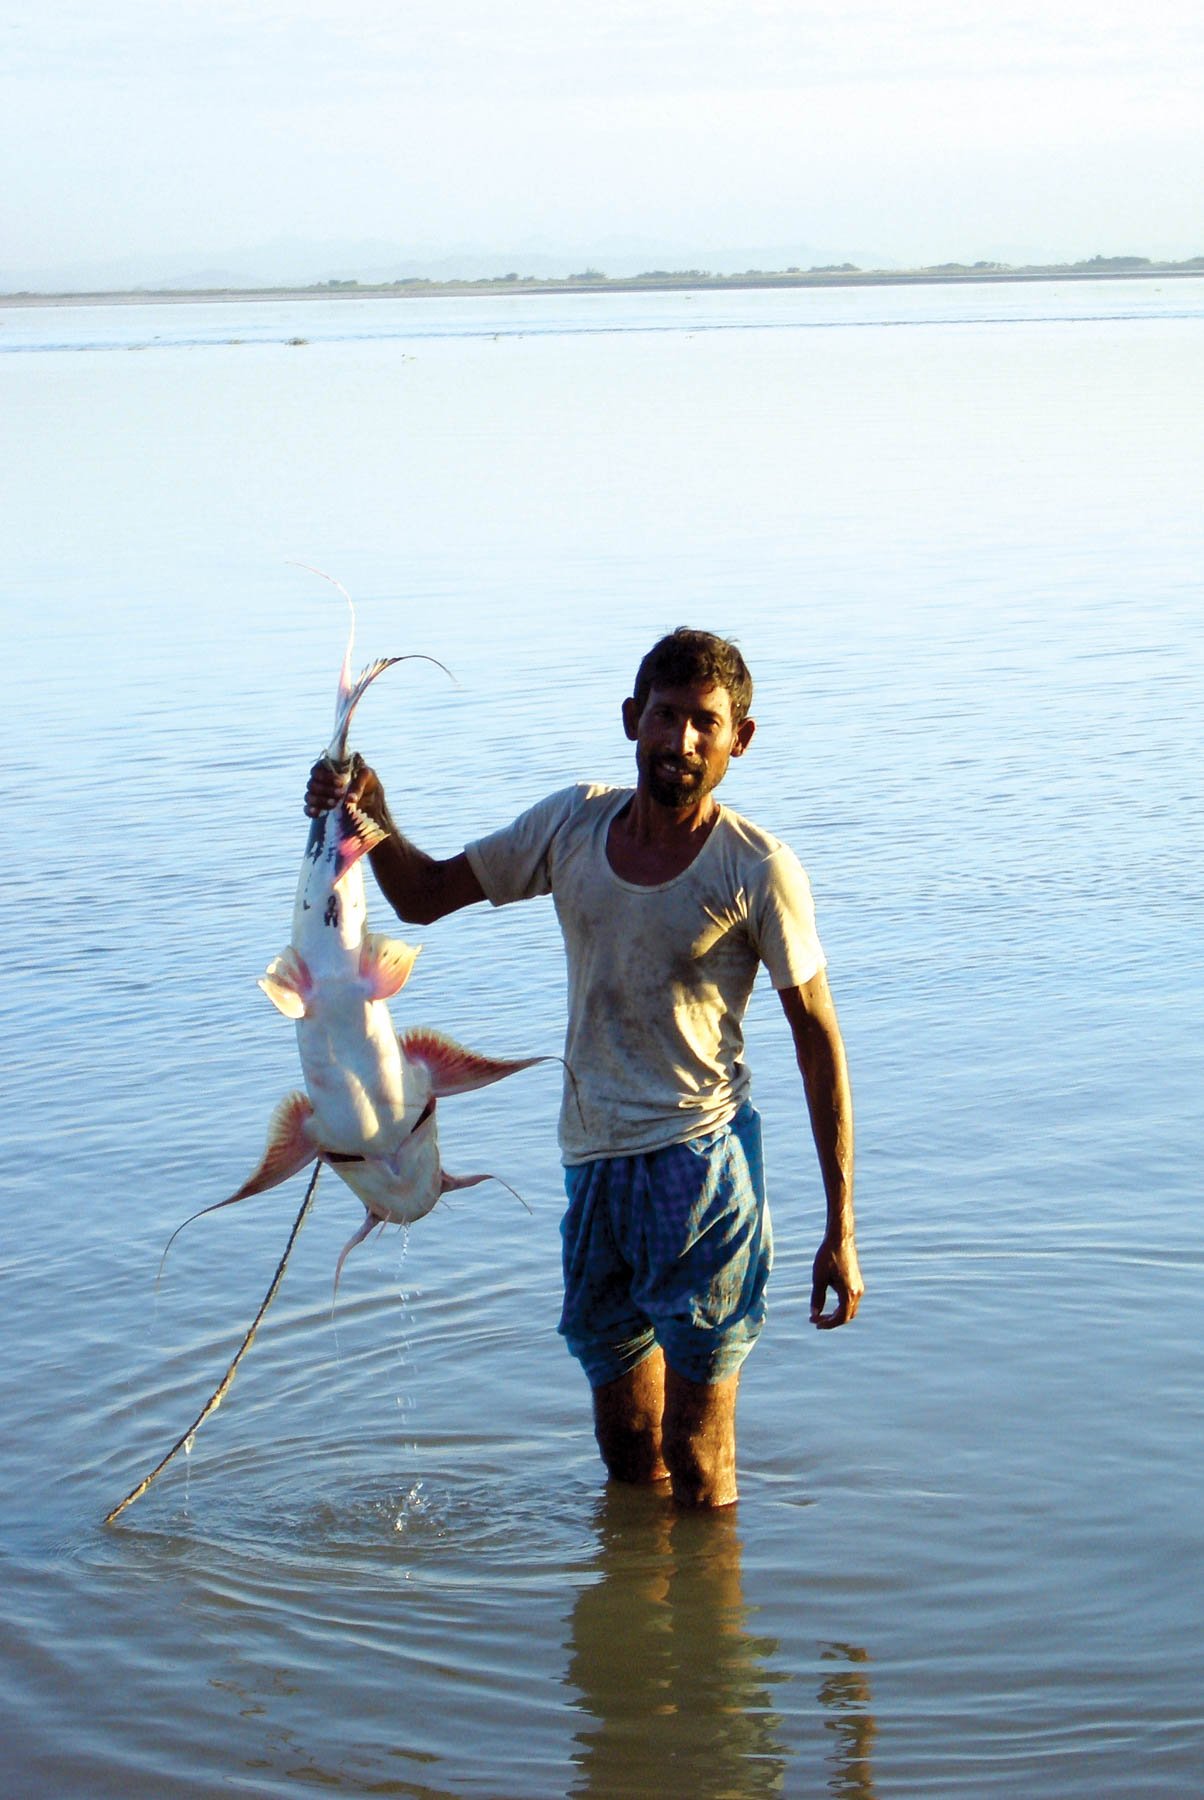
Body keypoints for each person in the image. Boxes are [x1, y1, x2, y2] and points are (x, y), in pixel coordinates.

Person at [305, 628, 862, 1508]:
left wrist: (841, 1227)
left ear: (739, 740)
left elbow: (817, 1042)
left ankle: (706, 1594)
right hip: (594, 1164)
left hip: (701, 1170)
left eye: (705, 724)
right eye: (666, 717)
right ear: (632, 718)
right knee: (627, 1449)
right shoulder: (573, 824)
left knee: (698, 1456)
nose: (682, 741)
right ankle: (645, 1590)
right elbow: (424, 896)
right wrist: (364, 811)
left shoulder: (757, 869)